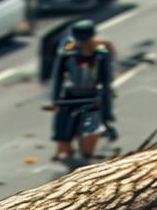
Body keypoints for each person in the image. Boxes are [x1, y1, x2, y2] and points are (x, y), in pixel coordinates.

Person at [49, 20, 114, 162]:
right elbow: (58, 78)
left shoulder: (101, 52)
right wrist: (55, 100)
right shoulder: (68, 52)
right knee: (62, 137)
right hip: (69, 98)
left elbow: (106, 82)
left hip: (92, 99)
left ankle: (84, 157)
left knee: (88, 147)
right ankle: (67, 152)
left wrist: (107, 111)